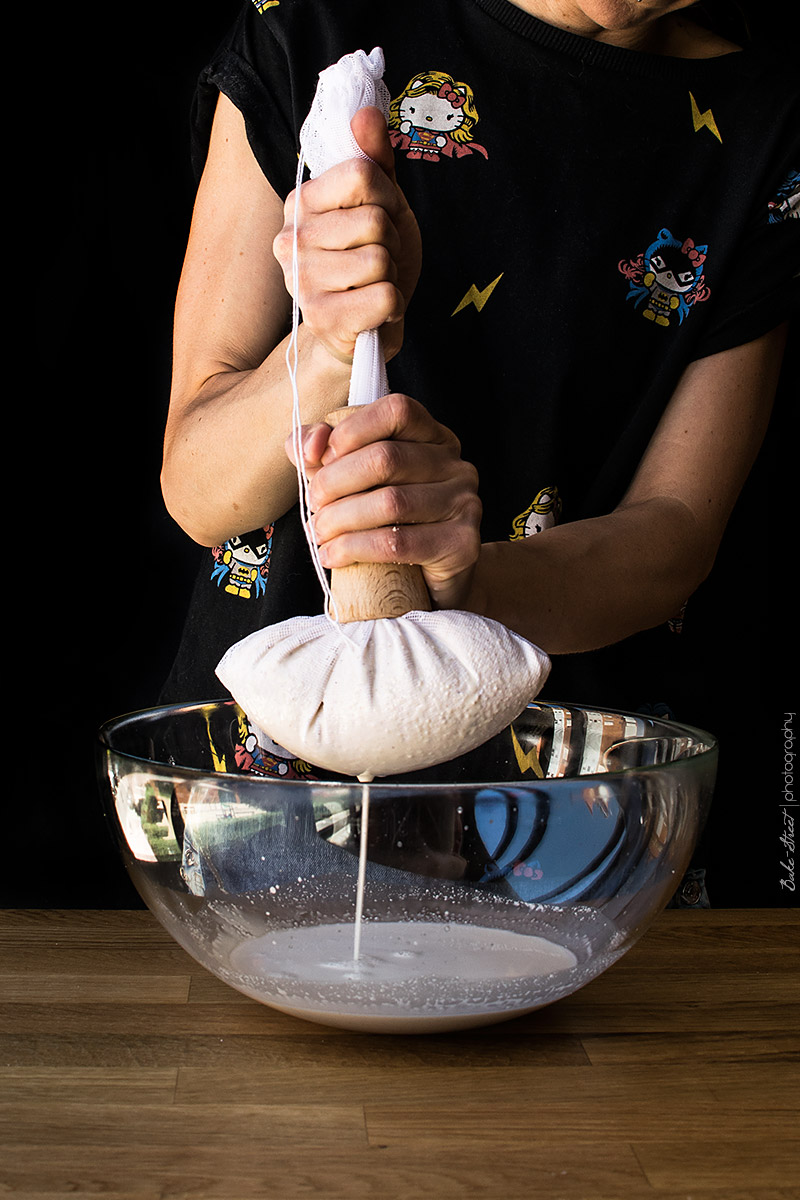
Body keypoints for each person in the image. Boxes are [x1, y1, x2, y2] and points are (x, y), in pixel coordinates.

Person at [159, 0, 798, 902]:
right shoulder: (311, 21)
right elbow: (195, 486)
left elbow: (679, 531)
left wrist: (470, 578)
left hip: (575, 819)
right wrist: (333, 343)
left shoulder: (768, 122)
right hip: (273, 803)